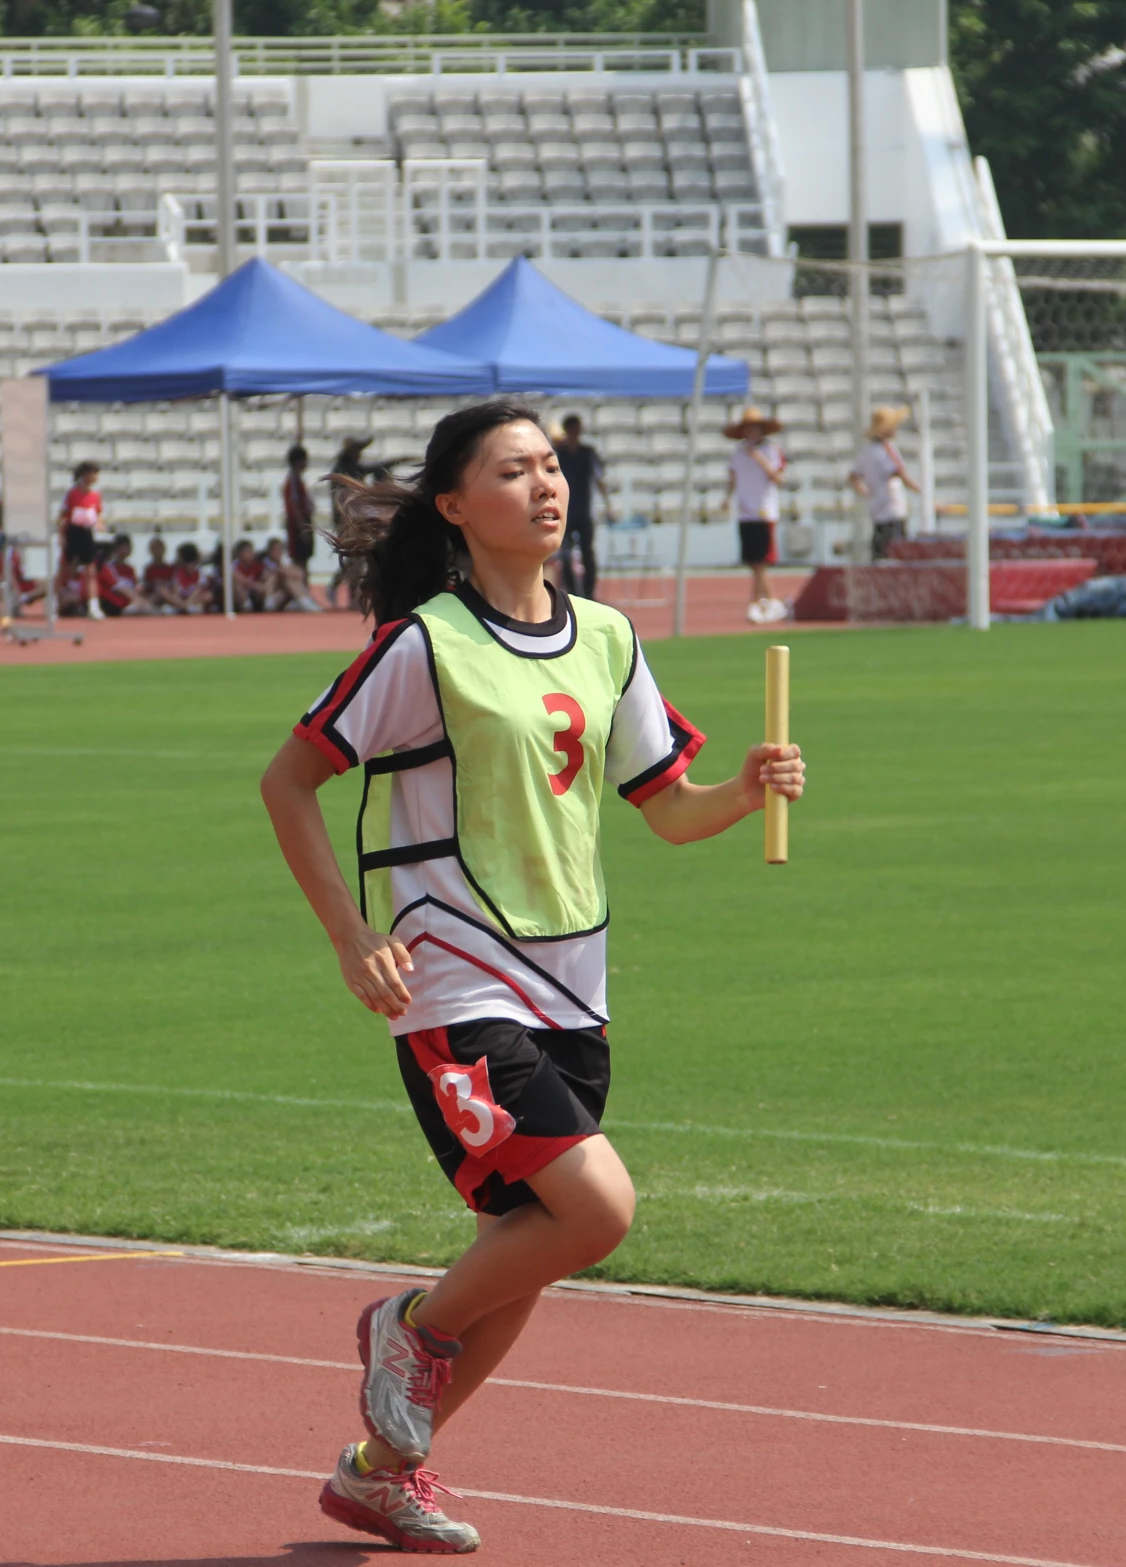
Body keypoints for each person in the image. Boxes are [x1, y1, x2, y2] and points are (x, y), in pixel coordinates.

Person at [258, 400, 806, 1556]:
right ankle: (404, 1323)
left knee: (526, 1260)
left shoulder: (606, 636)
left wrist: (748, 787)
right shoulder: (425, 644)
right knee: (596, 1210)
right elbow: (288, 782)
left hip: (573, 986)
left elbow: (663, 809)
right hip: (456, 979)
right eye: (513, 471)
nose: (544, 485)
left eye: (551, 465)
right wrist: (351, 934)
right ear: (455, 505)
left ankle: (377, 1474)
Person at [722, 406, 789, 624]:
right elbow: (733, 478)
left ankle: (760, 601)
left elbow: (778, 478)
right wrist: (727, 498)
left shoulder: (771, 450)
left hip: (764, 511)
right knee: (752, 561)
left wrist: (760, 459)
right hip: (745, 512)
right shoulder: (738, 453)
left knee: (761, 561)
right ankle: (767, 601)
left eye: (756, 429)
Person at [550, 413, 612, 603]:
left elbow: (599, 478)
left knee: (588, 554)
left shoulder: (588, 452)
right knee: (566, 554)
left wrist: (608, 503)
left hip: (584, 512)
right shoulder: (557, 454)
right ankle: (573, 592)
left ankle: (589, 593)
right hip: (565, 512)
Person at [848, 404, 920, 559]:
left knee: (880, 555)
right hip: (891, 511)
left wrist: (865, 491)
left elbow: (853, 476)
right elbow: (899, 472)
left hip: (878, 511)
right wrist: (918, 489)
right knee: (895, 555)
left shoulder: (867, 452)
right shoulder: (885, 450)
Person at [328, 435, 376, 610]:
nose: (359, 455)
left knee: (357, 558)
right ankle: (342, 590)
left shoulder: (354, 468)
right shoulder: (341, 470)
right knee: (354, 558)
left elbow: (374, 468)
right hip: (346, 520)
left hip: (356, 519)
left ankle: (349, 594)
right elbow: (342, 499)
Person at [58, 460, 106, 619]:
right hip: (73, 532)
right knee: (66, 568)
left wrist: (99, 524)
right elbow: (63, 516)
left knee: (90, 569)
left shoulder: (95, 495)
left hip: (87, 533)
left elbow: (98, 515)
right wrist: (61, 536)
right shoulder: (73, 493)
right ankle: (55, 600)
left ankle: (93, 605)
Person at [282, 443, 321, 607]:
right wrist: (302, 526)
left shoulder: (297, 480)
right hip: (298, 526)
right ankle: (301, 594)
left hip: (301, 524)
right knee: (299, 561)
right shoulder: (293, 482)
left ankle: (303, 592)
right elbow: (294, 505)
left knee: (303, 560)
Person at [262, 535, 321, 611]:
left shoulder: (285, 563)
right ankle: (305, 601)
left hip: (285, 594)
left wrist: (285, 572)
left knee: (291, 580)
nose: (278, 552)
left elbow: (300, 574)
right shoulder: (264, 563)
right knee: (284, 578)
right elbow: (265, 580)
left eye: (280, 549)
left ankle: (304, 600)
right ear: (270, 551)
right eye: (275, 550)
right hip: (271, 594)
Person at [95, 535, 142, 616]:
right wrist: (136, 599)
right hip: (113, 602)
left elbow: (134, 585)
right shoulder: (108, 567)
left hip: (127, 601)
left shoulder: (130, 568)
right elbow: (118, 587)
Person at [137, 534, 179, 613]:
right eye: (155, 548)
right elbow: (143, 587)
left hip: (169, 600)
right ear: (150, 550)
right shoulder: (148, 569)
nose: (158, 550)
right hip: (154, 600)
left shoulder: (171, 569)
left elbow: (175, 586)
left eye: (160, 547)